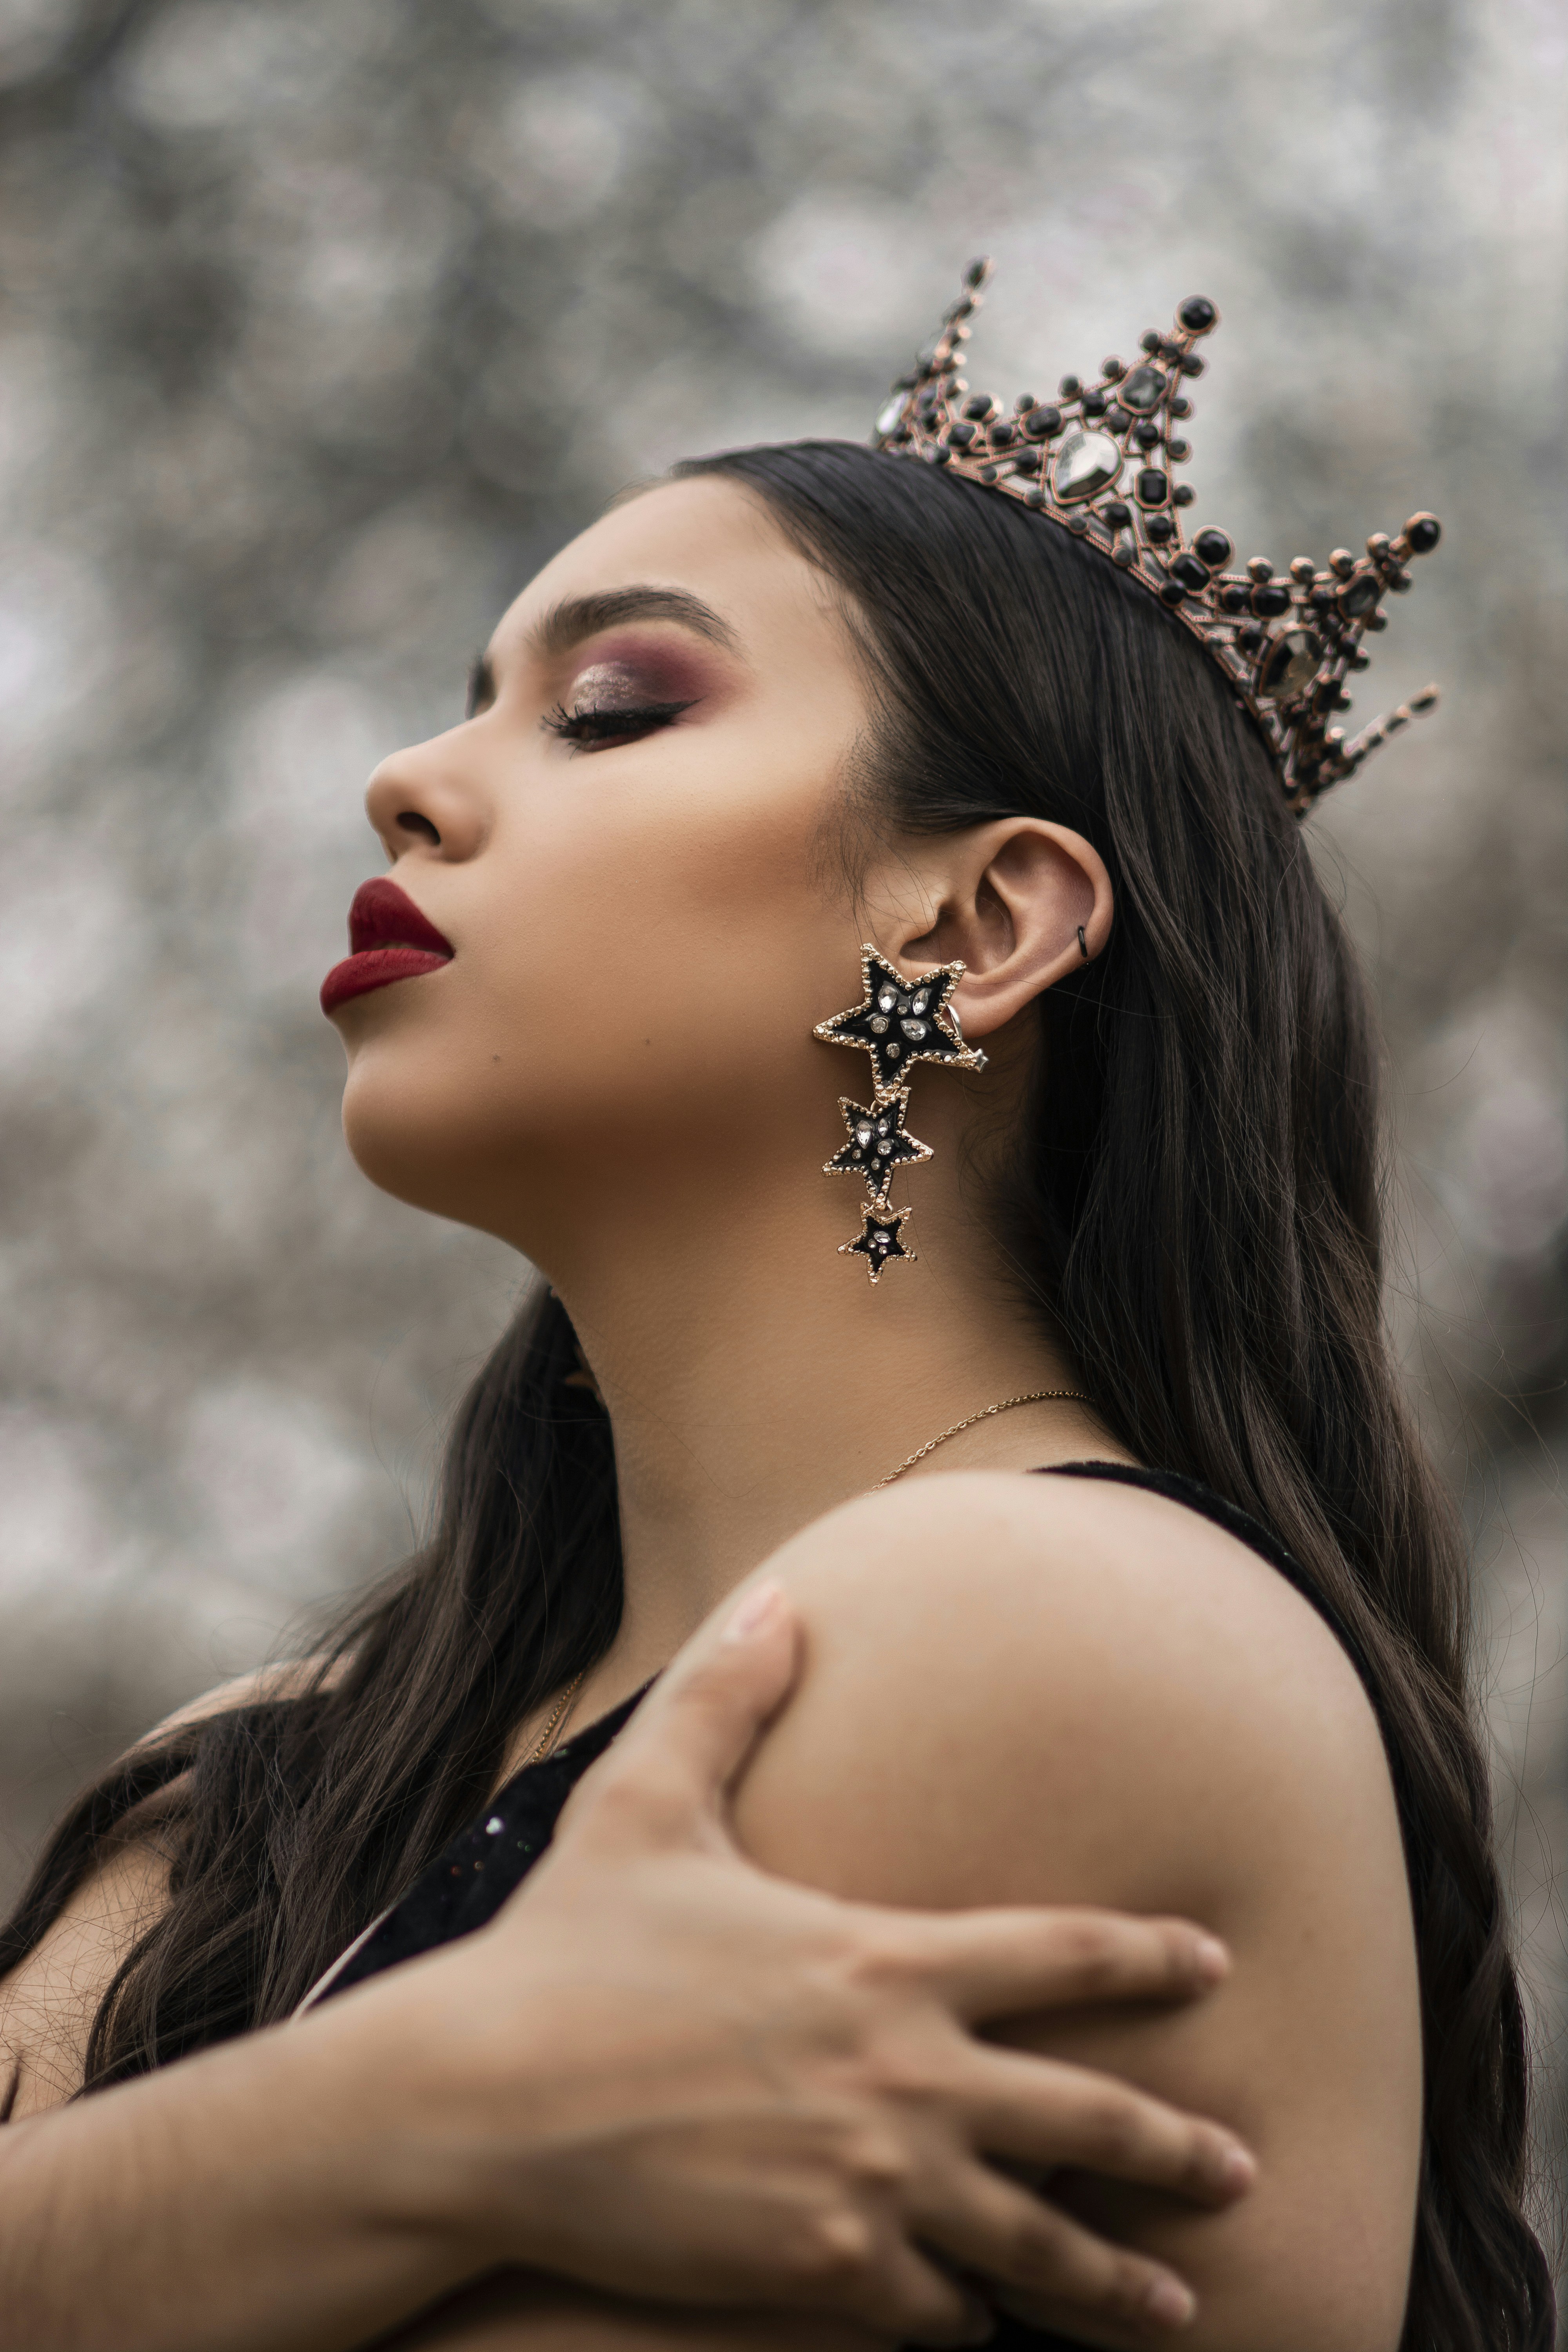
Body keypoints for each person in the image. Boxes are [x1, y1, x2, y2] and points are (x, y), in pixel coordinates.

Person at [0, 269, 1552, 2351]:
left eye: (614, 705)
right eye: (465, 698)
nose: (407, 779)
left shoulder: (1049, 1626)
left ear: (981, 918)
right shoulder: (271, 1783)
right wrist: (409, 2114)